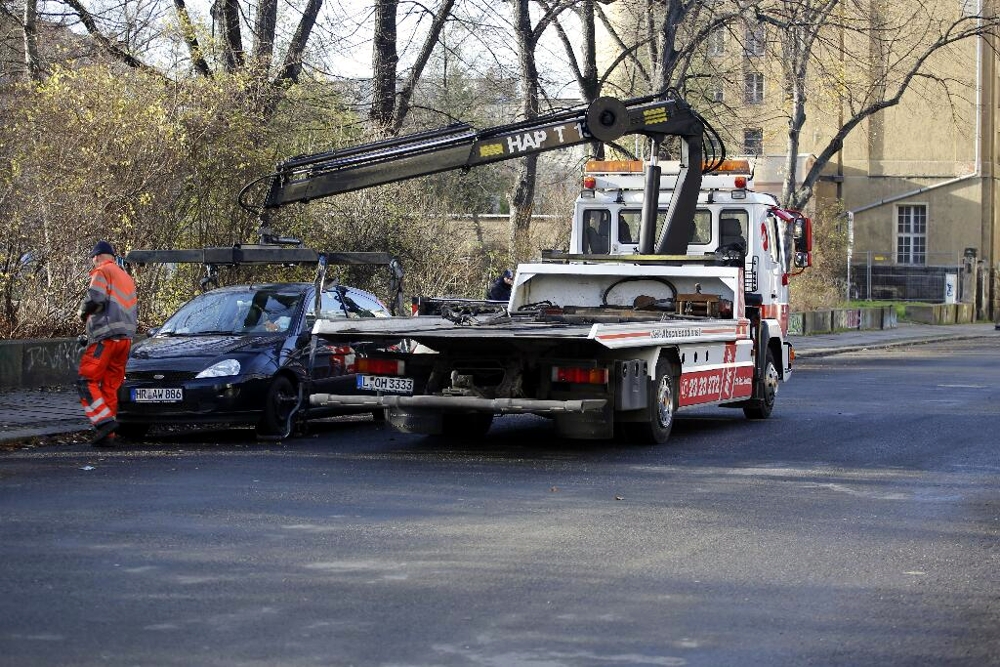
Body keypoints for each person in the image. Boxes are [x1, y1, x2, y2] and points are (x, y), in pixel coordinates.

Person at [77, 240, 138, 446]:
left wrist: (82, 312)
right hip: (125, 340)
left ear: (97, 256)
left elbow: (95, 299)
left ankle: (103, 422)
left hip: (106, 338)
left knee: (86, 381)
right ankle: (108, 436)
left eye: (93, 258)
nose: (93, 262)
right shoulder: (126, 277)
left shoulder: (102, 272)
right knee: (110, 386)